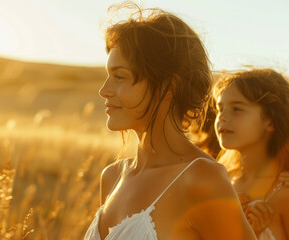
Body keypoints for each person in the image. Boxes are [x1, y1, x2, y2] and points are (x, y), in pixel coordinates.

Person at [84, 2, 256, 239]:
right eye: (108, 76)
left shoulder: (201, 179)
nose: (104, 90)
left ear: (168, 87)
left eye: (120, 76)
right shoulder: (113, 177)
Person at [213, 69, 289, 239]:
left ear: (270, 121)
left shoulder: (284, 194)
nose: (222, 117)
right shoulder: (220, 183)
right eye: (220, 108)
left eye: (237, 109)